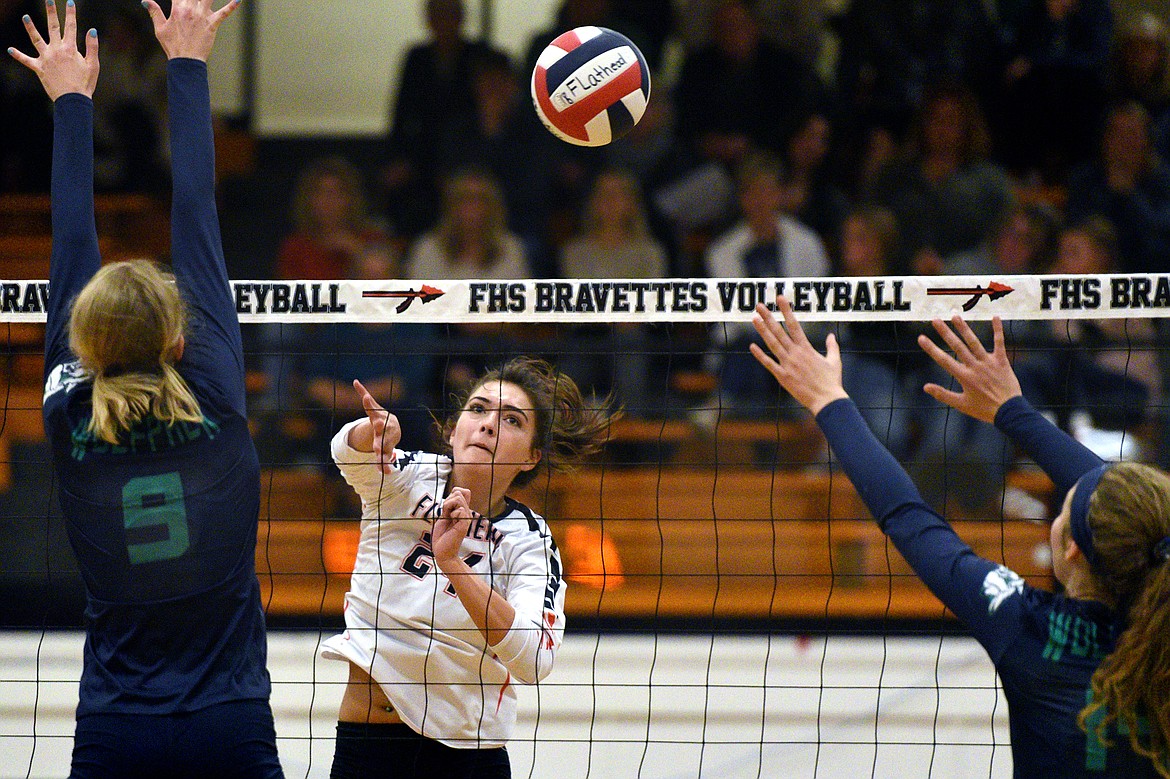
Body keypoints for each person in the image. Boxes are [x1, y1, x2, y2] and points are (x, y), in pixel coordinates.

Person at [10, 0, 284, 776]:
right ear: (176, 335)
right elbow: (197, 210)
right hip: (230, 720)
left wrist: (69, 104)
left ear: (84, 341)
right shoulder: (214, 391)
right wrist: (189, 66)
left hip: (116, 723)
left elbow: (70, 242)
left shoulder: (69, 408)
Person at [751, 297, 1170, 776]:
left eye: (1065, 510)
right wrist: (1012, 412)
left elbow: (908, 519)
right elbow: (1134, 509)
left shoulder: (1028, 630)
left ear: (1073, 545)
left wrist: (827, 400)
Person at [321, 357, 614, 777]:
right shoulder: (408, 477)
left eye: (512, 420)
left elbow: (533, 661)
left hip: (465, 759)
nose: (489, 424)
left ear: (532, 457)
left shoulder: (530, 540)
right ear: (452, 430)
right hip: (367, 748)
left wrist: (452, 564)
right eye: (477, 409)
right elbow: (348, 455)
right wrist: (371, 432)